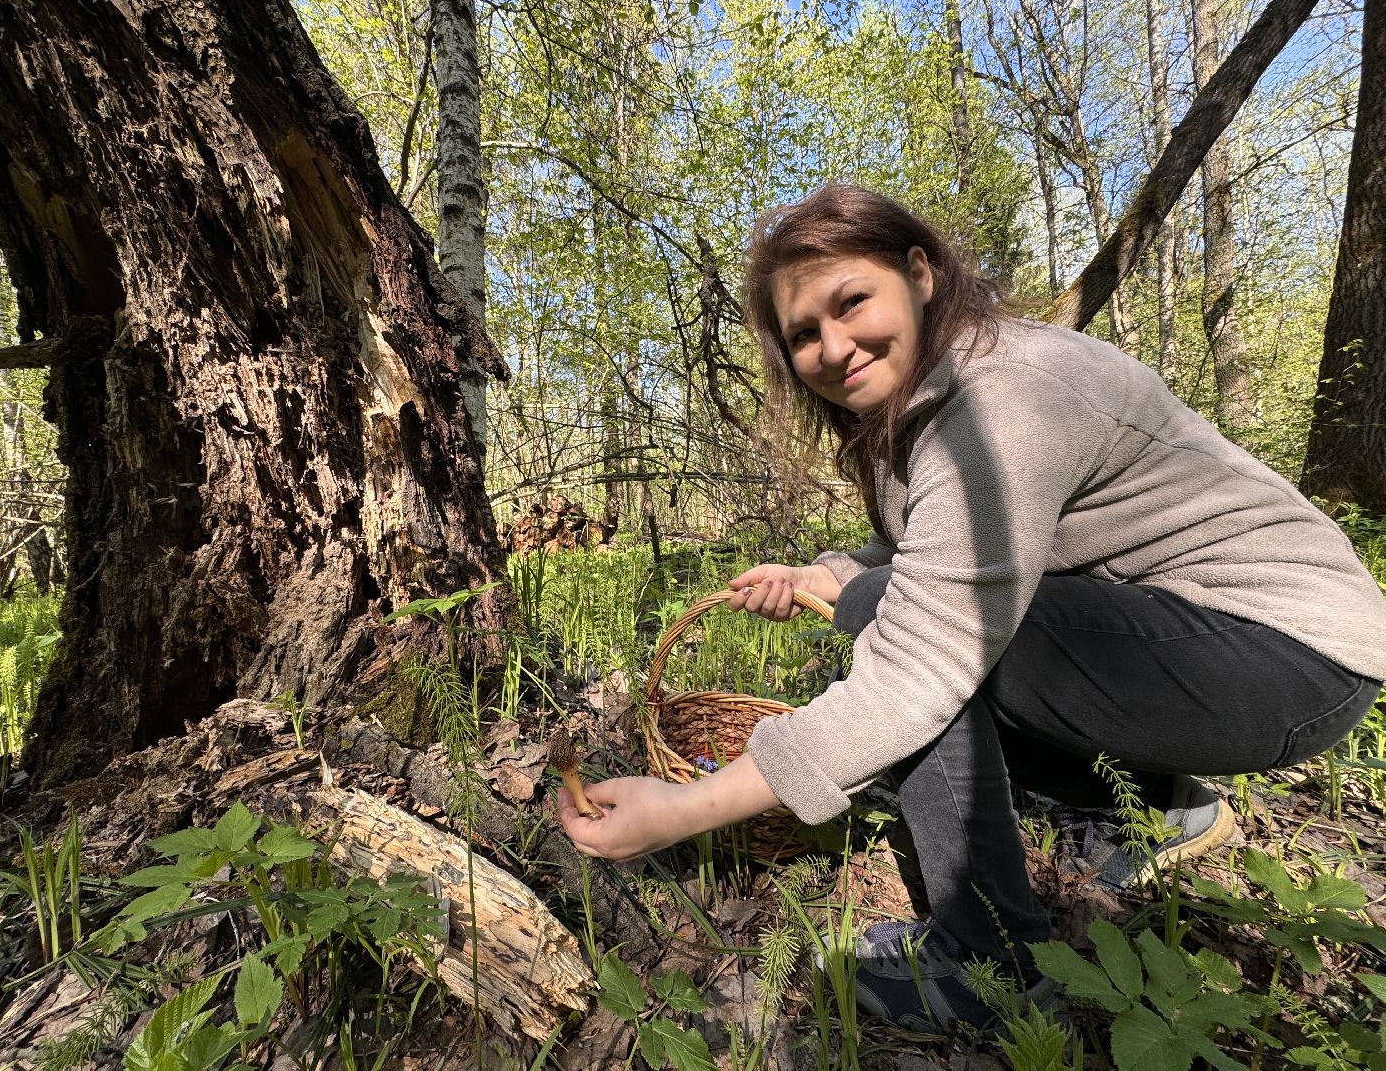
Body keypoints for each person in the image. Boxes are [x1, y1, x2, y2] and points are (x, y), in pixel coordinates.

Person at [557, 183, 1386, 1034]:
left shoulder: (1004, 397)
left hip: (1285, 653)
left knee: (896, 626)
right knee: (884, 600)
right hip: (1203, 641)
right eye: (805, 333)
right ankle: (1150, 808)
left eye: (852, 303)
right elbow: (945, 553)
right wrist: (815, 575)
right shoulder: (934, 394)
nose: (834, 347)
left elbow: (922, 656)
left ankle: (990, 963)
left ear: (919, 274)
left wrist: (686, 808)